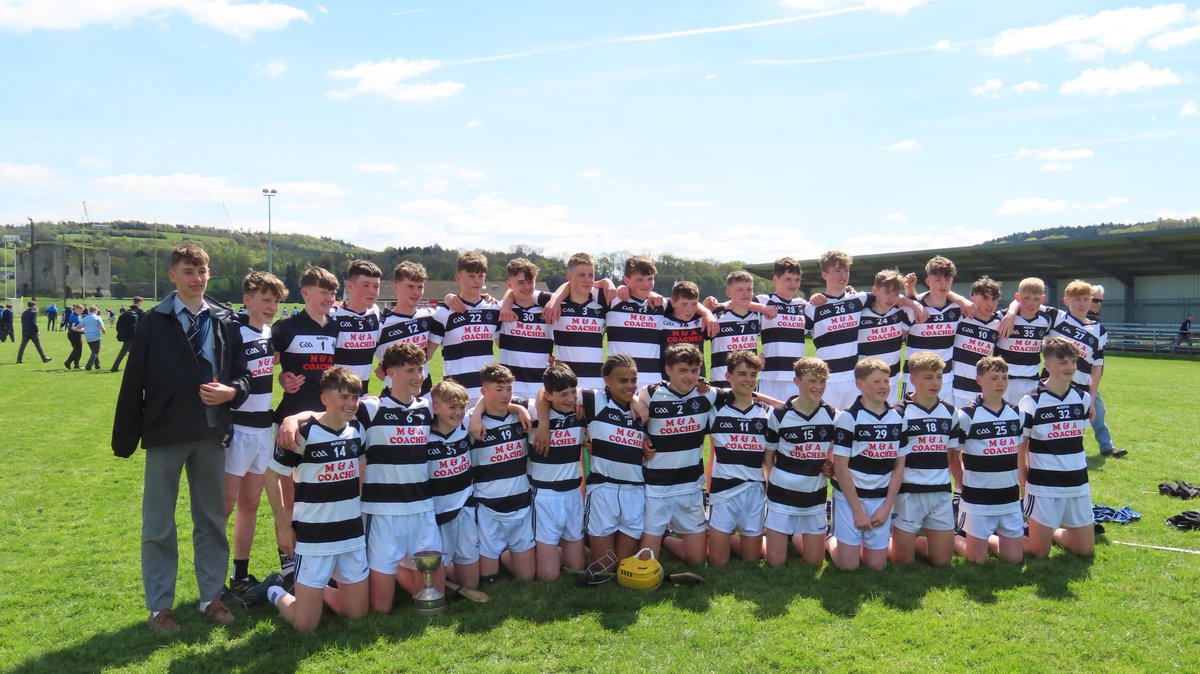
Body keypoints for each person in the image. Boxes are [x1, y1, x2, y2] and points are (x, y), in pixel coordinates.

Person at [112, 243, 251, 632]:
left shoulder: (224, 320)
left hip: (210, 433)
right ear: (173, 275)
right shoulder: (154, 321)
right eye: (189, 271)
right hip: (165, 433)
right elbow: (133, 380)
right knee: (158, 524)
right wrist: (125, 437)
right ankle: (160, 607)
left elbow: (243, 374)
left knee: (211, 520)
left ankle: (211, 598)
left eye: (202, 271)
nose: (197, 278)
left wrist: (232, 393)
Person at [252, 367, 370, 631]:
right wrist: (283, 525)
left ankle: (314, 594)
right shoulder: (303, 434)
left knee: (357, 615)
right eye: (343, 397)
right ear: (325, 399)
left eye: (354, 397)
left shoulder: (358, 431)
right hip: (313, 539)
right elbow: (271, 478)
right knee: (305, 626)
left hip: (350, 536)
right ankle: (274, 589)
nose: (351, 404)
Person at [272, 266, 341, 584]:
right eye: (323, 292)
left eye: (333, 293)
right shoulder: (285, 328)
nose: (329, 298)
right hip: (292, 420)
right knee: (289, 494)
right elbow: (264, 364)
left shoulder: (337, 328)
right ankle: (289, 562)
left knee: (318, 494)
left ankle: (318, 558)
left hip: (327, 422)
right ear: (305, 293)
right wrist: (282, 377)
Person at [223, 271, 287, 593]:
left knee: (250, 504)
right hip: (237, 430)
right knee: (224, 506)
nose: (272, 306)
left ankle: (240, 575)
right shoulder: (232, 332)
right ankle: (213, 581)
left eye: (276, 301)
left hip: (263, 430)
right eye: (265, 300)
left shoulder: (269, 333)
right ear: (247, 300)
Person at [826, 358, 907, 571]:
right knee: (848, 566)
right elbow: (841, 468)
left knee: (876, 567)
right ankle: (829, 539)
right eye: (876, 382)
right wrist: (858, 510)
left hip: (881, 500)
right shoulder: (848, 418)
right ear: (859, 385)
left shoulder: (898, 418)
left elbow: (899, 467)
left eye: (886, 381)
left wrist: (887, 506)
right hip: (850, 498)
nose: (884, 387)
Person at [1019, 337, 1095, 558]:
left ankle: (1050, 531)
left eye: (1072, 362)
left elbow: (1077, 439)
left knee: (1085, 551)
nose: (1069, 367)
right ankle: (989, 538)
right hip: (1044, 486)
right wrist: (1023, 479)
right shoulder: (1031, 401)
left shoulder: (1083, 398)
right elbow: (1020, 446)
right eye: (1062, 362)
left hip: (1077, 483)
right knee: (1038, 552)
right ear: (1048, 365)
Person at [951, 356, 1024, 564]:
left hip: (1008, 497)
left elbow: (1019, 453)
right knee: (977, 561)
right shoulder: (966, 415)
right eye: (994, 378)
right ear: (979, 380)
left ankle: (987, 540)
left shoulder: (1015, 413)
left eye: (1004, 377)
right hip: (977, 500)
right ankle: (951, 537)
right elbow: (953, 457)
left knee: (1014, 559)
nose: (1000, 383)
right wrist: (964, 484)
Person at [763, 357, 836, 567]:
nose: (818, 387)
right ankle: (781, 535)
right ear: (797, 381)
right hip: (781, 496)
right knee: (775, 562)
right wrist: (770, 486)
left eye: (822, 382)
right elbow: (768, 456)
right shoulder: (779, 415)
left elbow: (833, 451)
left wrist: (829, 463)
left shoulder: (832, 415)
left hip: (814, 497)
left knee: (814, 563)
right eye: (812, 381)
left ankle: (797, 536)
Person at [890, 351, 959, 568]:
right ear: (913, 379)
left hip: (939, 492)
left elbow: (950, 455)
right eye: (928, 377)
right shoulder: (898, 412)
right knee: (903, 563)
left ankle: (916, 539)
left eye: (939, 376)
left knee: (942, 562)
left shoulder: (950, 412)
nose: (935, 382)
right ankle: (897, 540)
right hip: (909, 494)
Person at [706, 350, 774, 565]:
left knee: (752, 559)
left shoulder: (767, 413)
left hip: (754, 491)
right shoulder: (714, 409)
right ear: (729, 377)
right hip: (723, 491)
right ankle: (668, 540)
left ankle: (727, 539)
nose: (748, 380)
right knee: (718, 561)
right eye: (742, 374)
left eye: (753, 375)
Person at [528, 362, 587, 581]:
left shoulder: (581, 411)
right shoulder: (532, 414)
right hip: (545, 496)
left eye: (573, 392)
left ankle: (553, 552)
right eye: (564, 394)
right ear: (549, 396)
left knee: (576, 566)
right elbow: (539, 393)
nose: (571, 398)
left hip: (572, 494)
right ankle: (512, 555)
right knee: (549, 575)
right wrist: (543, 424)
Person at [426, 380, 481, 591]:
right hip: (437, 515)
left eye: (462, 407)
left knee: (471, 584)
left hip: (464, 510)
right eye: (452, 407)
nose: (458, 412)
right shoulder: (423, 435)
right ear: (436, 407)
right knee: (436, 584)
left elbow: (486, 401)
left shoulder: (466, 424)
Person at [429, 252, 501, 405]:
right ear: (458, 277)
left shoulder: (494, 308)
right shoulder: (443, 312)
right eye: (471, 275)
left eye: (480, 275)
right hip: (456, 392)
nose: (476, 281)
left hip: (487, 392)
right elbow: (428, 354)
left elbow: (504, 345)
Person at [805, 251, 869, 410]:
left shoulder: (858, 299)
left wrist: (914, 305)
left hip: (853, 379)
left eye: (846, 270)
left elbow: (889, 295)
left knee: (852, 426)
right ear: (824, 274)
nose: (843, 275)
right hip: (826, 379)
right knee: (827, 427)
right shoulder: (813, 308)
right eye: (837, 270)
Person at [904, 255, 972, 402]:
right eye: (938, 280)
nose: (943, 285)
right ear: (928, 281)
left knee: (943, 419)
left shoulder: (957, 308)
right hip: (915, 378)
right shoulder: (914, 306)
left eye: (947, 280)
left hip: (944, 377)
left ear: (952, 281)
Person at [542, 252, 609, 391]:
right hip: (565, 386)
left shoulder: (602, 301)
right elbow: (515, 293)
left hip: (596, 386)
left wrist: (607, 281)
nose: (587, 280)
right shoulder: (552, 303)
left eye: (591, 275)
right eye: (582, 275)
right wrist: (555, 299)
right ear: (569, 277)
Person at [374, 261, 434, 397]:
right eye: (410, 286)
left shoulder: (429, 316)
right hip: (393, 395)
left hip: (425, 394)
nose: (416, 292)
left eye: (420, 287)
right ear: (396, 288)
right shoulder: (381, 325)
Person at [496, 258, 554, 399]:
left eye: (530, 282)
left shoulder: (549, 307)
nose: (527, 287)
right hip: (509, 390)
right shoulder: (499, 310)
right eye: (520, 283)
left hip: (541, 390)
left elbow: (569, 291)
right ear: (509, 284)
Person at [755, 257, 809, 403]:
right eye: (788, 279)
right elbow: (737, 305)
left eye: (797, 279)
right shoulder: (763, 301)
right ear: (776, 279)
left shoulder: (802, 305)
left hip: (796, 379)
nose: (793, 284)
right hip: (770, 378)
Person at [857, 269, 916, 403]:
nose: (891, 298)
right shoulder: (860, 314)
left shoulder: (903, 313)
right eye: (886, 292)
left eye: (896, 294)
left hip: (892, 380)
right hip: (866, 381)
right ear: (875, 290)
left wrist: (910, 288)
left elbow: (914, 303)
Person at [995, 278, 1053, 406]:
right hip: (1005, 380)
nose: (1031, 303)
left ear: (1043, 299)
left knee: (1028, 422)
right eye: (1026, 298)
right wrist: (1011, 314)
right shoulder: (1002, 318)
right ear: (1017, 297)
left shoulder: (1047, 320)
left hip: (1031, 381)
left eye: (1036, 299)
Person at [949, 278, 1003, 410]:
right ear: (972, 297)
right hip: (956, 390)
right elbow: (942, 293)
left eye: (994, 299)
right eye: (985, 298)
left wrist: (1011, 314)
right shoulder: (960, 316)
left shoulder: (999, 322)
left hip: (983, 392)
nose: (990, 303)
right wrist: (961, 300)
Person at [332, 259, 382, 391]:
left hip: (362, 396)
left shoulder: (375, 312)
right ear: (350, 286)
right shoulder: (333, 315)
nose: (372, 291)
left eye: (376, 286)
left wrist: (386, 365)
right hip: (336, 397)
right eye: (365, 285)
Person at [707, 271, 762, 388]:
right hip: (721, 381)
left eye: (749, 289)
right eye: (740, 290)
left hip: (749, 381)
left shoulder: (757, 316)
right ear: (728, 293)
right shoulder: (715, 317)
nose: (746, 293)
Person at [112, 296, 145, 372]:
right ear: (139, 302)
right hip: (134, 334)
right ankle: (115, 367)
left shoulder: (127, 312)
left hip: (126, 334)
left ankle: (132, 367)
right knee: (128, 351)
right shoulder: (140, 311)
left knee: (129, 351)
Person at [81, 304, 107, 370]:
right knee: (96, 351)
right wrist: (104, 332)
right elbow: (102, 328)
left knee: (93, 351)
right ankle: (89, 365)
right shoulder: (98, 318)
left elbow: (79, 326)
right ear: (95, 310)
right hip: (95, 337)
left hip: (88, 337)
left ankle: (97, 365)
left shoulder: (85, 318)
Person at [64, 304, 84, 369]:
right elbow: (73, 328)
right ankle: (68, 362)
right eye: (81, 310)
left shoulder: (77, 316)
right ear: (76, 309)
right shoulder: (73, 316)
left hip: (76, 334)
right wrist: (82, 331)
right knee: (77, 350)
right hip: (74, 335)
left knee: (78, 349)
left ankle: (76, 364)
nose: (82, 312)